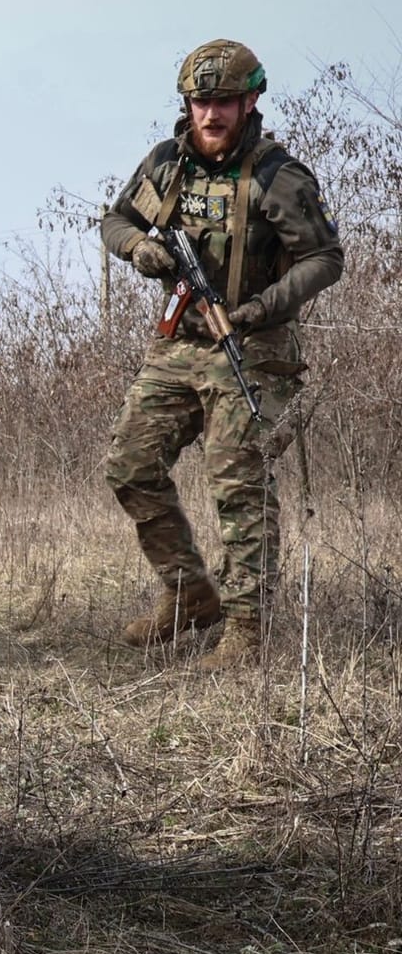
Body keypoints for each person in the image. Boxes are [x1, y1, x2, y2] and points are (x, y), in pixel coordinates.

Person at [101, 40, 342, 670]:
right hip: (179, 344)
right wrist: (139, 251)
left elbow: (324, 258)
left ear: (251, 100)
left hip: (254, 348)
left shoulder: (277, 177)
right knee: (130, 465)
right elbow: (116, 221)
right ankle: (187, 595)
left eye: (225, 102)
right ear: (188, 103)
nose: (212, 114)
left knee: (237, 477)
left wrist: (261, 308)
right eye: (201, 101)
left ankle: (246, 630)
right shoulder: (167, 165)